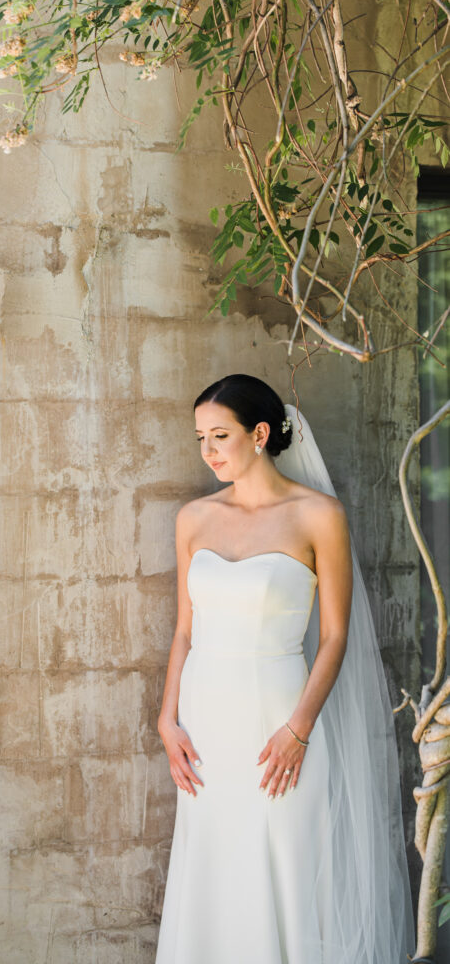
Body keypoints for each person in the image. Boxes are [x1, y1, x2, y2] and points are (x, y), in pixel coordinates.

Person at [154, 374, 415, 964]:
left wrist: (298, 730)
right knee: (213, 864)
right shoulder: (193, 518)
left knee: (284, 864)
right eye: (201, 438)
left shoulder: (317, 514)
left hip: (280, 716)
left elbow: (335, 635)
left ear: (261, 433)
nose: (209, 451)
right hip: (203, 725)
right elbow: (185, 629)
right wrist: (167, 720)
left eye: (220, 435)